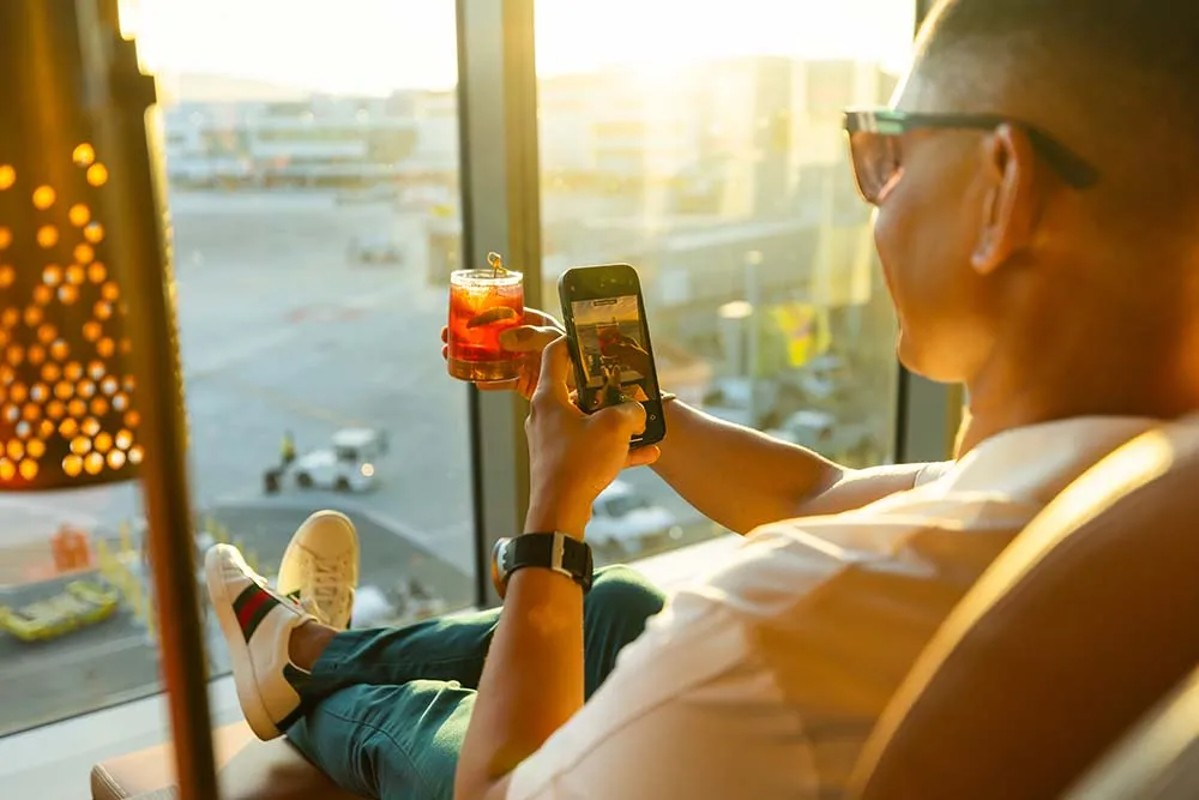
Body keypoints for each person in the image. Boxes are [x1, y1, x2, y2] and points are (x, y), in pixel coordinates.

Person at [205, 1, 1199, 797]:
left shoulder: (762, 625)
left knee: (433, 730)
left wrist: (554, 511)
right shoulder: (1127, 488)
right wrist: (638, 416)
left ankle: (296, 685)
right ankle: (310, 647)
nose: (875, 199)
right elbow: (816, 494)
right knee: (625, 607)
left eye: (884, 159)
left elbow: (497, 786)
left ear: (999, 188)